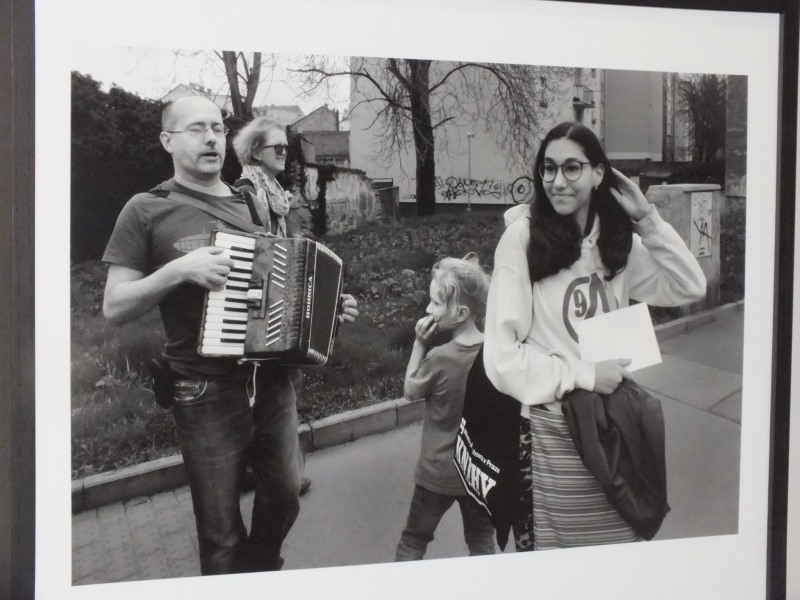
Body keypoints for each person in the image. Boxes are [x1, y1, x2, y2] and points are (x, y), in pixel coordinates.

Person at [101, 96, 357, 575]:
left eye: (217, 128)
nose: (211, 138)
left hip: (270, 381)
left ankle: (256, 572)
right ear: (167, 141)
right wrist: (179, 269)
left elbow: (274, 287)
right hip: (203, 390)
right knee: (220, 535)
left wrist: (322, 311)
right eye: (196, 129)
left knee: (285, 496)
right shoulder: (146, 209)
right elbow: (114, 306)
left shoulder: (251, 202)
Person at [482, 121, 706, 551]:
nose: (557, 181)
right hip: (550, 434)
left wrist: (647, 219)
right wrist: (585, 374)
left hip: (612, 428)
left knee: (616, 557)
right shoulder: (521, 240)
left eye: (572, 168)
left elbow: (689, 286)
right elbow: (501, 359)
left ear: (598, 173)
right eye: (549, 168)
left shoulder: (616, 240)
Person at [231, 117, 320, 497]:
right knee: (265, 390)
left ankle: (280, 470)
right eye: (277, 147)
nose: (285, 152)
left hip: (279, 299)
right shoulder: (246, 192)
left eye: (287, 146)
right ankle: (277, 474)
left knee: (283, 384)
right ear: (254, 152)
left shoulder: (275, 194)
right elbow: (251, 252)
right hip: (259, 304)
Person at [395, 254, 496, 561]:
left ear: (461, 312)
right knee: (481, 545)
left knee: (414, 540)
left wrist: (419, 344)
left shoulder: (439, 358)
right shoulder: (494, 353)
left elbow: (410, 390)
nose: (429, 309)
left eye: (436, 303)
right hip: (478, 473)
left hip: (436, 472)